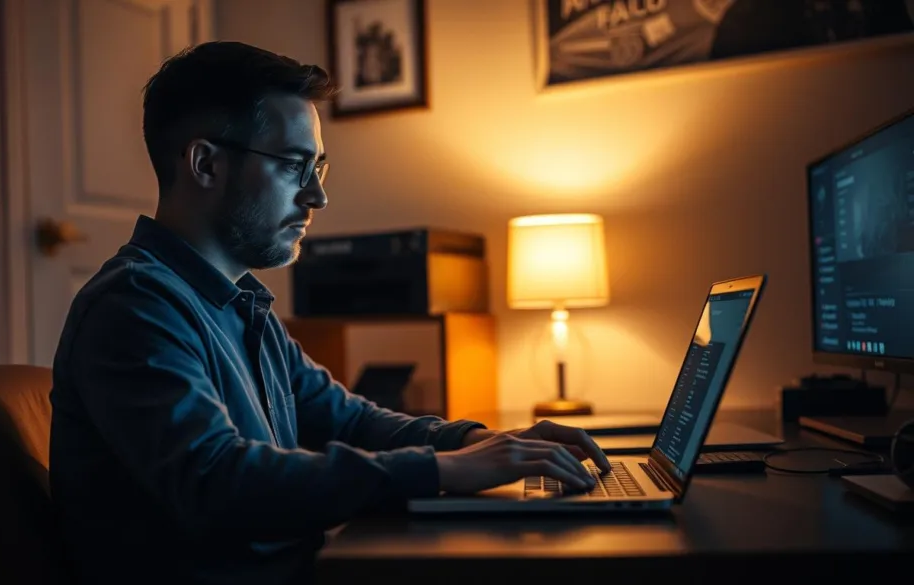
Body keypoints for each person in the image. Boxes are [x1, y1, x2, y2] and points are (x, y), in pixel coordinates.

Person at [48, 40, 610, 585]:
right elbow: (218, 481)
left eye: (319, 168)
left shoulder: (240, 304)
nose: (317, 197)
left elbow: (351, 420)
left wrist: (480, 443)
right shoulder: (134, 306)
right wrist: (446, 470)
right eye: (295, 166)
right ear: (203, 164)